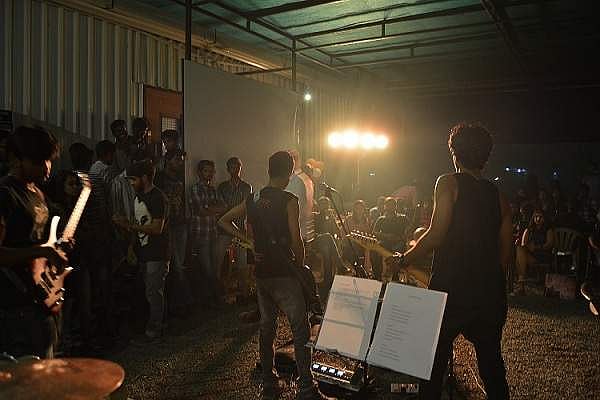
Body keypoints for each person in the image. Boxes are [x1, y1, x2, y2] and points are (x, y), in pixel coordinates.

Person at [388, 123, 511, 400]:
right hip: (490, 292)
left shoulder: (448, 183)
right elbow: (505, 255)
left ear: (454, 153)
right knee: (492, 367)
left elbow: (436, 234)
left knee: (433, 364)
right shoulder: (500, 198)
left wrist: (404, 259)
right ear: (486, 156)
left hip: (451, 289)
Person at [218, 151, 336, 400]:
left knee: (267, 327)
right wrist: (300, 267)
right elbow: (296, 240)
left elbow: (224, 221)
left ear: (269, 170)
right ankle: (306, 388)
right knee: (300, 329)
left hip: (262, 273)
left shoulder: (254, 198)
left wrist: (249, 241)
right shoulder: (289, 200)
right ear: (290, 172)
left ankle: (269, 382)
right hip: (284, 272)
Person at [0, 126, 68, 358]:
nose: (47, 167)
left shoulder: (37, 192)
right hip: (16, 306)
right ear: (16, 159)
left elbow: (39, 238)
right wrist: (43, 251)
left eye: (49, 160)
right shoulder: (5, 194)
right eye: (39, 161)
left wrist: (57, 246)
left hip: (42, 297)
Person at [114, 160, 169, 342]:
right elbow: (139, 224)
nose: (131, 183)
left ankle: (155, 330)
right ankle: (150, 326)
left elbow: (157, 228)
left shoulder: (158, 197)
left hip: (157, 253)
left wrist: (129, 226)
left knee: (154, 292)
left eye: (133, 179)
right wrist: (132, 245)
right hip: (143, 252)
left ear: (144, 178)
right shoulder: (138, 196)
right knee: (148, 292)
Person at [155, 149, 191, 316]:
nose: (181, 162)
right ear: (168, 160)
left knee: (179, 264)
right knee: (173, 265)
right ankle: (180, 305)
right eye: (178, 159)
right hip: (167, 225)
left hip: (179, 224)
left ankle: (179, 304)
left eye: (182, 160)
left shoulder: (180, 177)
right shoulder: (159, 178)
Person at [189, 160, 227, 307]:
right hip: (201, 234)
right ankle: (215, 299)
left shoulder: (213, 189)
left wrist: (209, 208)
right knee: (207, 268)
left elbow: (224, 207)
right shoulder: (195, 189)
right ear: (199, 172)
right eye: (206, 171)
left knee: (214, 267)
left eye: (211, 171)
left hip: (213, 233)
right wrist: (212, 209)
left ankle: (211, 299)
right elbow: (201, 211)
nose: (210, 173)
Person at [216, 157, 252, 302]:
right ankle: (218, 291)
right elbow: (222, 206)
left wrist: (232, 211)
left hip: (240, 228)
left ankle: (244, 292)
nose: (235, 170)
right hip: (225, 229)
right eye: (232, 167)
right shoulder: (222, 187)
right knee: (218, 260)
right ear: (228, 169)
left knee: (243, 262)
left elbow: (245, 207)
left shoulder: (246, 187)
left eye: (237, 167)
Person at [514, 209, 555, 295]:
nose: (538, 219)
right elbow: (523, 244)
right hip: (530, 255)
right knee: (520, 249)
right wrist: (528, 246)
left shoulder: (548, 229)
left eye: (540, 216)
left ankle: (521, 284)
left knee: (521, 257)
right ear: (533, 218)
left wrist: (537, 247)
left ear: (544, 218)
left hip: (542, 255)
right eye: (536, 216)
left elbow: (550, 244)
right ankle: (521, 282)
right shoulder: (529, 229)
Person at [371, 197, 409, 280]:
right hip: (384, 241)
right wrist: (386, 236)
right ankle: (377, 274)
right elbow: (374, 232)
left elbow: (408, 231)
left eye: (392, 205)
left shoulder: (402, 218)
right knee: (374, 250)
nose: (390, 207)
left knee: (396, 251)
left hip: (398, 242)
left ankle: (395, 274)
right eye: (388, 205)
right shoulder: (381, 219)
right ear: (385, 206)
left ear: (395, 206)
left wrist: (400, 237)